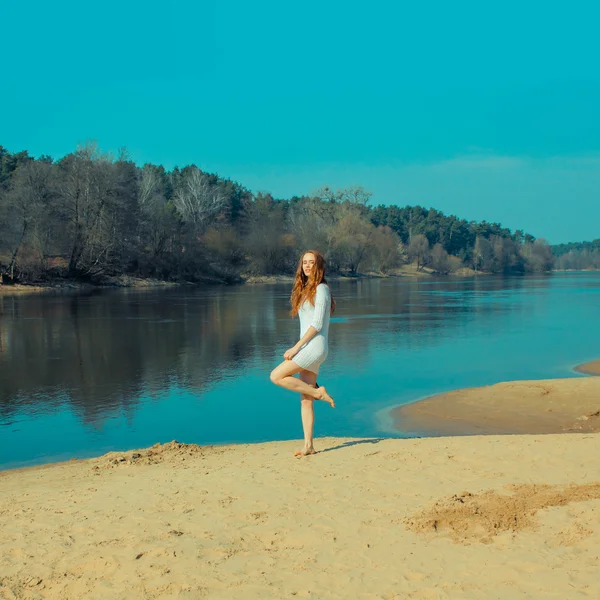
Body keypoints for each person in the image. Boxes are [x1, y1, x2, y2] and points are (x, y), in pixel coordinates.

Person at [269, 250, 336, 457]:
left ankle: (319, 392)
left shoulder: (322, 289)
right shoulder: (306, 289)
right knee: (305, 399)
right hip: (309, 347)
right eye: (305, 263)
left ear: (319, 266)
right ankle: (309, 446)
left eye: (312, 263)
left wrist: (296, 347)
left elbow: (316, 324)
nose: (307, 266)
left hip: (314, 347)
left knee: (276, 376)